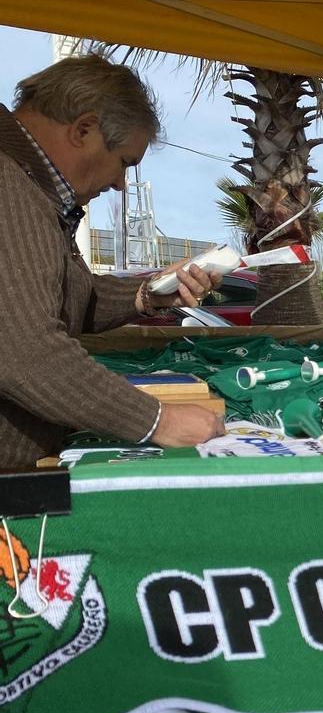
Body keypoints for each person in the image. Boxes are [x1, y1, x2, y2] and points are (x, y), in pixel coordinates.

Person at [0, 55, 226, 469]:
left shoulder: (29, 187)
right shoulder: (8, 185)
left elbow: (59, 299)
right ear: (84, 130)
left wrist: (149, 294)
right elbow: (25, 351)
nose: (121, 184)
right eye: (124, 162)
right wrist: (158, 421)